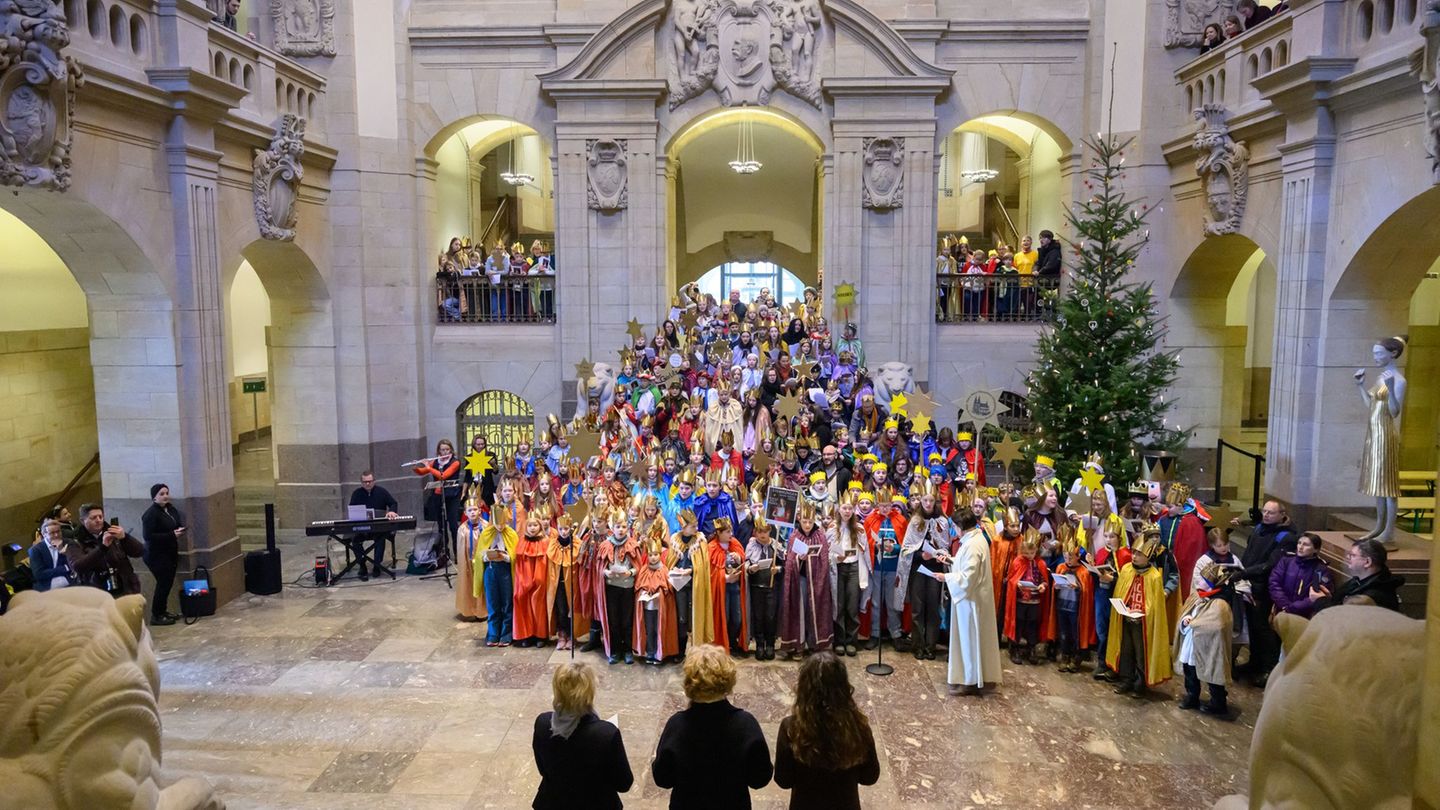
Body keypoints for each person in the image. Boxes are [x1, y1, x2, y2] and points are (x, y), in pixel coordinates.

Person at [652, 645, 773, 810]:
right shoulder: (746, 724)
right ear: (728, 681)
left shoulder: (676, 725)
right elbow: (760, 779)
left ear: (689, 683)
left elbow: (663, 779)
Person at [774, 652, 880, 809]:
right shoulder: (858, 725)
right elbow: (869, 777)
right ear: (843, 687)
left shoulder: (791, 728)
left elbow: (784, 780)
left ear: (804, 688)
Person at [926, 495, 1003, 696]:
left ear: (961, 526)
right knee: (977, 639)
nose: (954, 531)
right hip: (976, 598)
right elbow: (967, 565)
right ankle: (981, 676)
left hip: (971, 601)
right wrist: (951, 559)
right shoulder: (976, 538)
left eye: (955, 526)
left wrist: (946, 577)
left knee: (969, 639)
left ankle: (969, 681)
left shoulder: (972, 544)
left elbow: (968, 577)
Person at [532, 663, 633, 810]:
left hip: (553, 802)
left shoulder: (542, 723)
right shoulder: (605, 734)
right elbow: (624, 783)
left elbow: (543, 769)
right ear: (589, 692)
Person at [1232, 499, 1296, 687]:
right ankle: (1254, 662)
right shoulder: (1259, 528)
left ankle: (1269, 669)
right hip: (1250, 583)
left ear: (1282, 515)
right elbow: (1250, 552)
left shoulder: (1286, 536)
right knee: (1252, 625)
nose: (1266, 515)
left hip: (1266, 587)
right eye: (1265, 511)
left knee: (1264, 629)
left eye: (1271, 513)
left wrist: (1244, 573)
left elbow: (1271, 565)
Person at [1106, 530, 1173, 697]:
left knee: (1141, 653)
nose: (1134, 557)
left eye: (1139, 554)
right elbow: (1121, 591)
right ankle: (1126, 680)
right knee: (1125, 650)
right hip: (1125, 618)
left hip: (1143, 623)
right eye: (1134, 553)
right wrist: (1124, 606)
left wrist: (1142, 610)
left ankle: (1139, 684)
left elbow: (1155, 604)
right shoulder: (1127, 569)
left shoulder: (1154, 576)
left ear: (1148, 557)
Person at [1175, 562, 1237, 720]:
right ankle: (1192, 696)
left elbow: (1218, 625)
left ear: (1211, 584)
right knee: (1190, 671)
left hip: (1209, 647)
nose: (1199, 581)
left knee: (1212, 675)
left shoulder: (1220, 604)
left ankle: (1218, 702)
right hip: (1192, 642)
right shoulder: (1198, 596)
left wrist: (1194, 622)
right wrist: (1185, 621)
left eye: (1203, 580)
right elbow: (1186, 613)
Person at [778, 502, 834, 658]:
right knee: (801, 611)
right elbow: (789, 561)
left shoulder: (820, 535)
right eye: (804, 522)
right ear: (799, 520)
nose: (808, 525)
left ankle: (816, 644)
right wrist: (798, 559)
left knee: (815, 610)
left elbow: (824, 558)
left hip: (817, 580)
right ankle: (799, 645)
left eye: (810, 522)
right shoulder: (795, 536)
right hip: (800, 579)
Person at [71, 503, 145, 597]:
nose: (98, 520)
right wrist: (103, 547)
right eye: (93, 518)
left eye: (100, 517)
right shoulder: (76, 541)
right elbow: (78, 566)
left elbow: (140, 551)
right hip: (97, 590)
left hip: (125, 586)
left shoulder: (113, 532)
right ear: (82, 520)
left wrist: (125, 538)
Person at [1315, 538, 1405, 613]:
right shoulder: (1362, 581)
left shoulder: (1373, 595)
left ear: (1367, 562)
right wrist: (1331, 598)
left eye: (1353, 555)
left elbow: (1341, 616)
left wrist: (1320, 600)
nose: (1348, 557)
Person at [1002, 529, 1051, 664]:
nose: (1029, 556)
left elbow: (1044, 580)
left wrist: (1043, 586)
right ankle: (1015, 647)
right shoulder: (1018, 561)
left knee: (1032, 624)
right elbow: (1011, 579)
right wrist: (1016, 584)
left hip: (1034, 601)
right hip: (1020, 600)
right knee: (1018, 623)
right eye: (1026, 553)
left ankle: (1031, 648)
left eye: (1032, 553)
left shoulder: (1040, 563)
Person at [140, 483, 185, 625]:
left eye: (166, 493)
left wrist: (179, 530)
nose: (165, 496)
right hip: (156, 555)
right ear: (154, 498)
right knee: (163, 584)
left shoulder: (170, 509)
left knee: (167, 583)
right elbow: (148, 536)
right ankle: (157, 615)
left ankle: (163, 611)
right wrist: (171, 535)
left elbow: (175, 523)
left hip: (169, 552)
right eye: (161, 494)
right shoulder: (150, 514)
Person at [477, 499, 519, 648]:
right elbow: (478, 555)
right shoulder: (486, 534)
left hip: (505, 571)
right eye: (497, 524)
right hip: (490, 570)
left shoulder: (512, 534)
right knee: (493, 603)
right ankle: (493, 633)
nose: (500, 527)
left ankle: (506, 633)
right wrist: (485, 556)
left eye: (502, 524)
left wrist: (507, 557)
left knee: (507, 603)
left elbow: (515, 555)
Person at [347, 471, 400, 581]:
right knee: (355, 540)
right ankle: (362, 565)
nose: (367, 484)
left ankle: (377, 565)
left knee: (380, 539)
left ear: (374, 481)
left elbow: (393, 503)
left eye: (370, 481)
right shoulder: (356, 493)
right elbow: (352, 510)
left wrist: (391, 511)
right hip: (362, 528)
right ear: (361, 482)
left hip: (378, 528)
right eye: (365, 482)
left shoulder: (382, 492)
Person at [413, 439, 463, 555]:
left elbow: (443, 476)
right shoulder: (436, 462)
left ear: (451, 450)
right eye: (442, 450)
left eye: (447, 449)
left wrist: (429, 468)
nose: (445, 452)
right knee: (441, 527)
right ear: (439, 451)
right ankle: (444, 552)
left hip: (452, 497)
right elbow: (422, 472)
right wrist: (416, 467)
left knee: (453, 526)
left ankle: (457, 553)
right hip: (438, 496)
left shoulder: (455, 462)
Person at [1268, 532, 1333, 619]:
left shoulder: (1320, 569)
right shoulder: (1286, 561)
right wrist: (1284, 605)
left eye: (1306, 545)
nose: (1300, 547)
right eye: (1299, 543)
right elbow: (1274, 582)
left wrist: (1292, 608)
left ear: (1316, 549)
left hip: (1303, 615)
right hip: (1281, 610)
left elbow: (1315, 596)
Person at [745, 517, 783, 660]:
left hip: (771, 586)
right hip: (756, 586)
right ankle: (760, 644)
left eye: (765, 531)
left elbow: (785, 564)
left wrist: (777, 569)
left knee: (770, 616)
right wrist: (751, 568)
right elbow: (746, 563)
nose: (762, 535)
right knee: (758, 616)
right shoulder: (751, 545)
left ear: (770, 531)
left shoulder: (776, 545)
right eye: (759, 531)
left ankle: (770, 644)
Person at [512, 515, 551, 648]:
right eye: (530, 525)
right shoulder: (521, 541)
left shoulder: (546, 541)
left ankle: (540, 635)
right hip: (524, 580)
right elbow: (519, 564)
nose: (533, 528)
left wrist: (539, 580)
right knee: (523, 604)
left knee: (539, 607)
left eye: (535, 525)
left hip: (540, 581)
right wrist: (524, 581)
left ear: (540, 526)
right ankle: (526, 635)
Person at [29, 518, 77, 592]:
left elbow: (75, 565)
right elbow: (39, 574)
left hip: (70, 584)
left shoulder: (69, 543)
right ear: (44, 534)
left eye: (58, 531)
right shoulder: (35, 550)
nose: (56, 535)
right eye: (52, 533)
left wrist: (61, 549)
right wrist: (65, 568)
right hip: (47, 588)